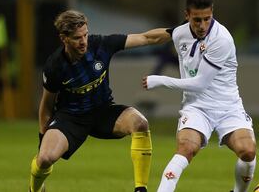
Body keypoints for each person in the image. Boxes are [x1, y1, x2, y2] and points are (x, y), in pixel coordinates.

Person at [28, 10, 171, 192]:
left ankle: (140, 189)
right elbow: (47, 106)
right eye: (77, 38)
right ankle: (34, 189)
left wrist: (178, 32)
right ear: (63, 38)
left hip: (103, 111)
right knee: (45, 158)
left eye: (85, 35)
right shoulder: (55, 66)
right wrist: (43, 139)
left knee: (140, 123)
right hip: (71, 118)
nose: (83, 42)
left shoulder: (101, 45)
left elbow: (147, 38)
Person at [142, 0, 256, 192]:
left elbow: (200, 83)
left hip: (228, 107)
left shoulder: (222, 39)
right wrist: (123, 41)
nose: (202, 25)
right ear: (187, 15)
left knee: (248, 151)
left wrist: (159, 80)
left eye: (207, 19)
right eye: (197, 20)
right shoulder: (180, 33)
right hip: (196, 107)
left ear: (212, 13)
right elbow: (158, 35)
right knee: (186, 148)